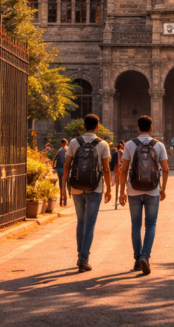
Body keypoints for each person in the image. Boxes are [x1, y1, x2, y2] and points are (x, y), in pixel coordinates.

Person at [119, 115, 169, 276]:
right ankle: (145, 256)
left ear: (138, 128)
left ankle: (137, 259)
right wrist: (163, 188)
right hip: (153, 190)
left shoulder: (129, 145)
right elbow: (166, 169)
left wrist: (121, 192)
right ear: (152, 128)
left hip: (133, 190)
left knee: (135, 226)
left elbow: (124, 170)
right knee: (151, 225)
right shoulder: (159, 145)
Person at [63, 114, 112, 272]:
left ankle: (80, 255)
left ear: (83, 126)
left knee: (80, 222)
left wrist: (64, 186)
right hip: (95, 188)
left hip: (76, 187)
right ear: (98, 126)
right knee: (90, 224)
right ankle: (83, 258)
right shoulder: (103, 144)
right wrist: (109, 189)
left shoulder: (73, 142)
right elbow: (105, 168)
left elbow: (67, 165)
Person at [53, 139, 69, 207]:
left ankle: (60, 201)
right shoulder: (68, 150)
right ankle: (65, 199)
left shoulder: (59, 150)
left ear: (61, 143)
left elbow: (55, 159)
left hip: (59, 169)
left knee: (60, 183)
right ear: (66, 143)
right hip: (66, 170)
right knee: (64, 184)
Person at [112, 141, 125, 209]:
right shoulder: (124, 153)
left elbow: (111, 164)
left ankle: (116, 199)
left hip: (116, 171)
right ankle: (122, 197)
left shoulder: (114, 154)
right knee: (122, 187)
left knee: (117, 187)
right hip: (123, 172)